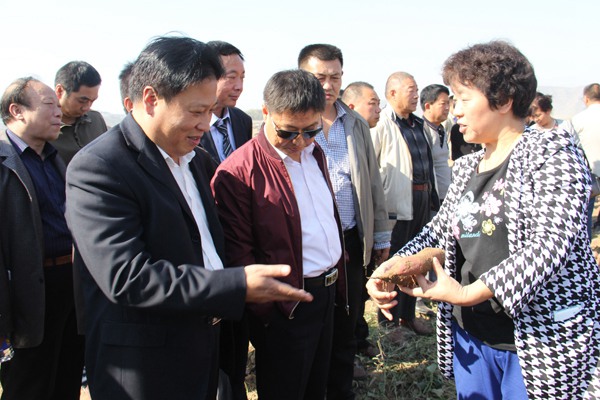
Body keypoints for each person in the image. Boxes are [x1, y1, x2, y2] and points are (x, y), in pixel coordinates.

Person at [64, 36, 312, 400]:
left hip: (205, 346)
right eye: (196, 112)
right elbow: (128, 277)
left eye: (210, 111)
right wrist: (235, 285)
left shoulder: (196, 161)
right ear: (151, 99)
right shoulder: (99, 167)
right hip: (145, 366)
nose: (206, 125)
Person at [368, 40, 600, 399]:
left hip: (536, 339)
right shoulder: (467, 168)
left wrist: (466, 293)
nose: (455, 111)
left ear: (504, 100)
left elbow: (552, 243)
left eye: (463, 99)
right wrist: (390, 268)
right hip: (473, 335)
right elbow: (439, 233)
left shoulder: (553, 154)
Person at [212, 68, 344, 400]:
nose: (299, 141)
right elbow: (238, 253)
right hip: (284, 307)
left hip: (326, 294)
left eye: (311, 130)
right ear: (266, 112)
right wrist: (271, 313)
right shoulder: (238, 172)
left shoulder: (315, 153)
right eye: (288, 132)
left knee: (316, 386)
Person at [298, 43, 390, 393]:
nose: (328, 85)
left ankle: (340, 388)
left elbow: (372, 182)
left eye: (335, 77)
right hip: (307, 243)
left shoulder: (354, 123)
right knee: (311, 326)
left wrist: (380, 236)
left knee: (346, 321)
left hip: (349, 240)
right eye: (319, 77)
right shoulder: (291, 122)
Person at [0, 77, 84, 400]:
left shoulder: (54, 158)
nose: (58, 113)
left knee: (66, 374)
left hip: (68, 283)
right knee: (29, 383)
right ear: (17, 111)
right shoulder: (5, 162)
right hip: (27, 290)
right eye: (49, 105)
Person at [370, 71, 438, 336]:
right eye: (411, 90)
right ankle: (389, 324)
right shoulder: (382, 124)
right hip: (397, 204)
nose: (416, 95)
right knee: (394, 264)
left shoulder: (418, 124)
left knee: (416, 261)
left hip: (421, 199)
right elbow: (372, 168)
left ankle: (408, 317)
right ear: (392, 93)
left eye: (417, 90)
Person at [201, 41, 252, 165]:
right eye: (231, 77)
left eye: (242, 78)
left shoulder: (243, 121)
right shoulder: (191, 123)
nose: (239, 87)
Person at [52, 61, 107, 165]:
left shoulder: (96, 120)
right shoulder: (43, 126)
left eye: (92, 101)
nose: (87, 107)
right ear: (60, 91)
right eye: (82, 100)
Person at [572, 83, 600, 233]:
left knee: (586, 212)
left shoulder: (578, 120)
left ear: (586, 99)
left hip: (590, 173)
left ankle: (587, 241)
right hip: (591, 172)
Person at [420, 84, 452, 204]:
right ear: (428, 106)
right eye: (443, 104)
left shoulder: (441, 129)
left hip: (446, 199)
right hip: (432, 202)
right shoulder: (421, 131)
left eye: (448, 103)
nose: (447, 108)